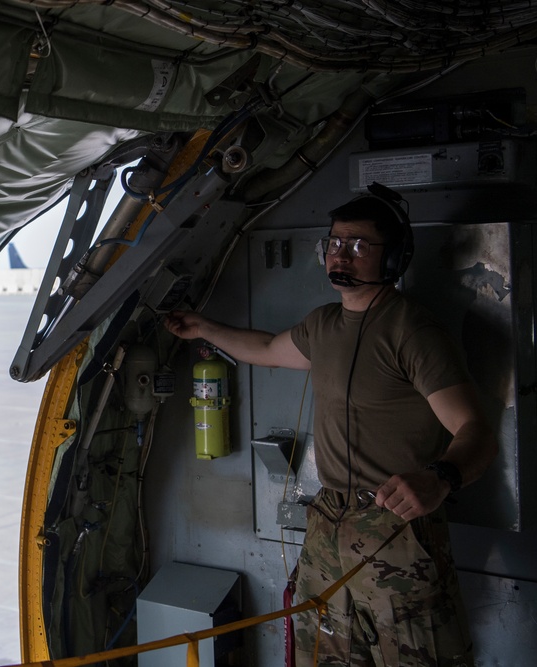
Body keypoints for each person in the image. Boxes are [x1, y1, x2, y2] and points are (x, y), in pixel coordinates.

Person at [164, 187, 497, 666]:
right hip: (329, 520)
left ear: (394, 257)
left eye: (359, 245)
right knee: (325, 651)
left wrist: (440, 478)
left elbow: (476, 431)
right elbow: (264, 349)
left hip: (394, 525)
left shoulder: (412, 332)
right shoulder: (323, 325)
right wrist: (205, 329)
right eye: (336, 243)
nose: (341, 254)